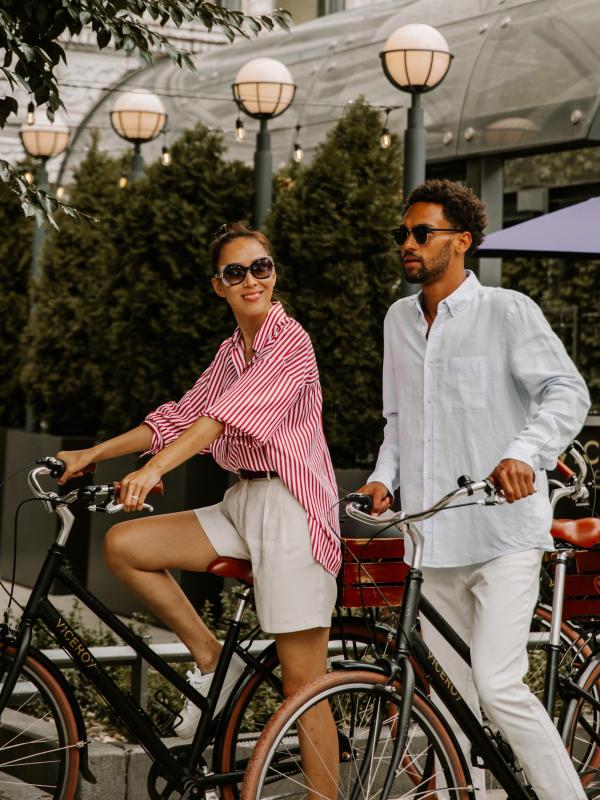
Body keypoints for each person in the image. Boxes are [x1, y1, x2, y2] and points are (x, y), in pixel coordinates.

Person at [56, 222, 340, 797]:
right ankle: (214, 660)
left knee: (304, 685)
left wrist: (155, 469)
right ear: (219, 287)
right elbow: (177, 418)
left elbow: (221, 420)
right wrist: (93, 453)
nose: (251, 280)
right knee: (125, 546)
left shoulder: (291, 341)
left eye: (260, 267)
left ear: (274, 271)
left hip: (291, 505)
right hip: (242, 499)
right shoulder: (231, 351)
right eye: (236, 272)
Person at [358, 179, 590, 800]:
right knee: (451, 704)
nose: (407, 243)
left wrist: (523, 452)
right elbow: (400, 421)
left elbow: (568, 392)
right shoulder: (397, 321)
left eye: (421, 233)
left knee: (497, 685)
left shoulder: (507, 311)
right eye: (402, 234)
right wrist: (384, 477)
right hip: (430, 543)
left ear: (461, 242)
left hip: (502, 537)